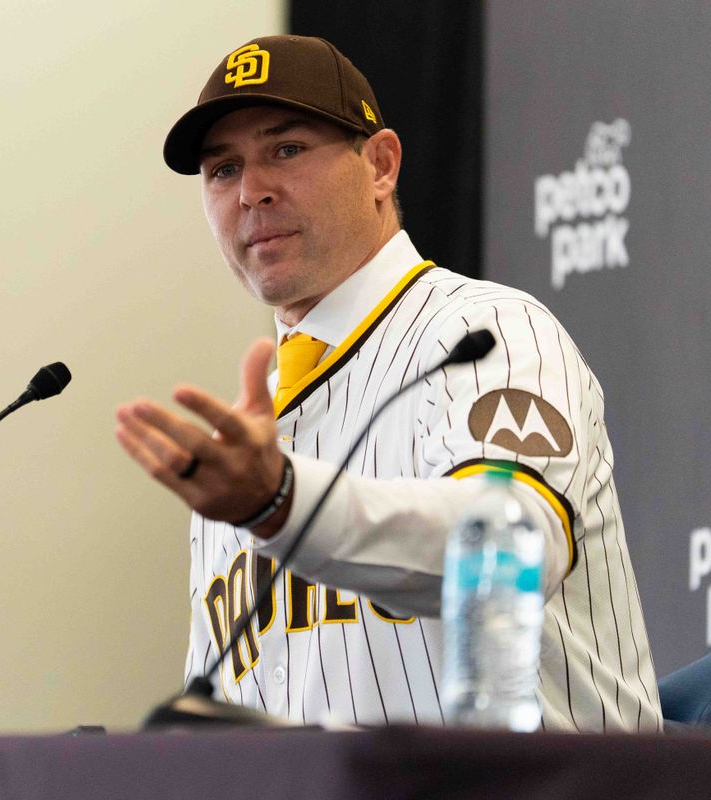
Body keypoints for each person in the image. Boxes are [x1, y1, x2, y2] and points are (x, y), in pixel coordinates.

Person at [115, 34, 661, 732]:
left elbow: (505, 553)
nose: (252, 191)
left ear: (380, 165)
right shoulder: (239, 449)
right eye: (223, 170)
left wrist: (280, 502)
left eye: (285, 150)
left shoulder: (486, 332)